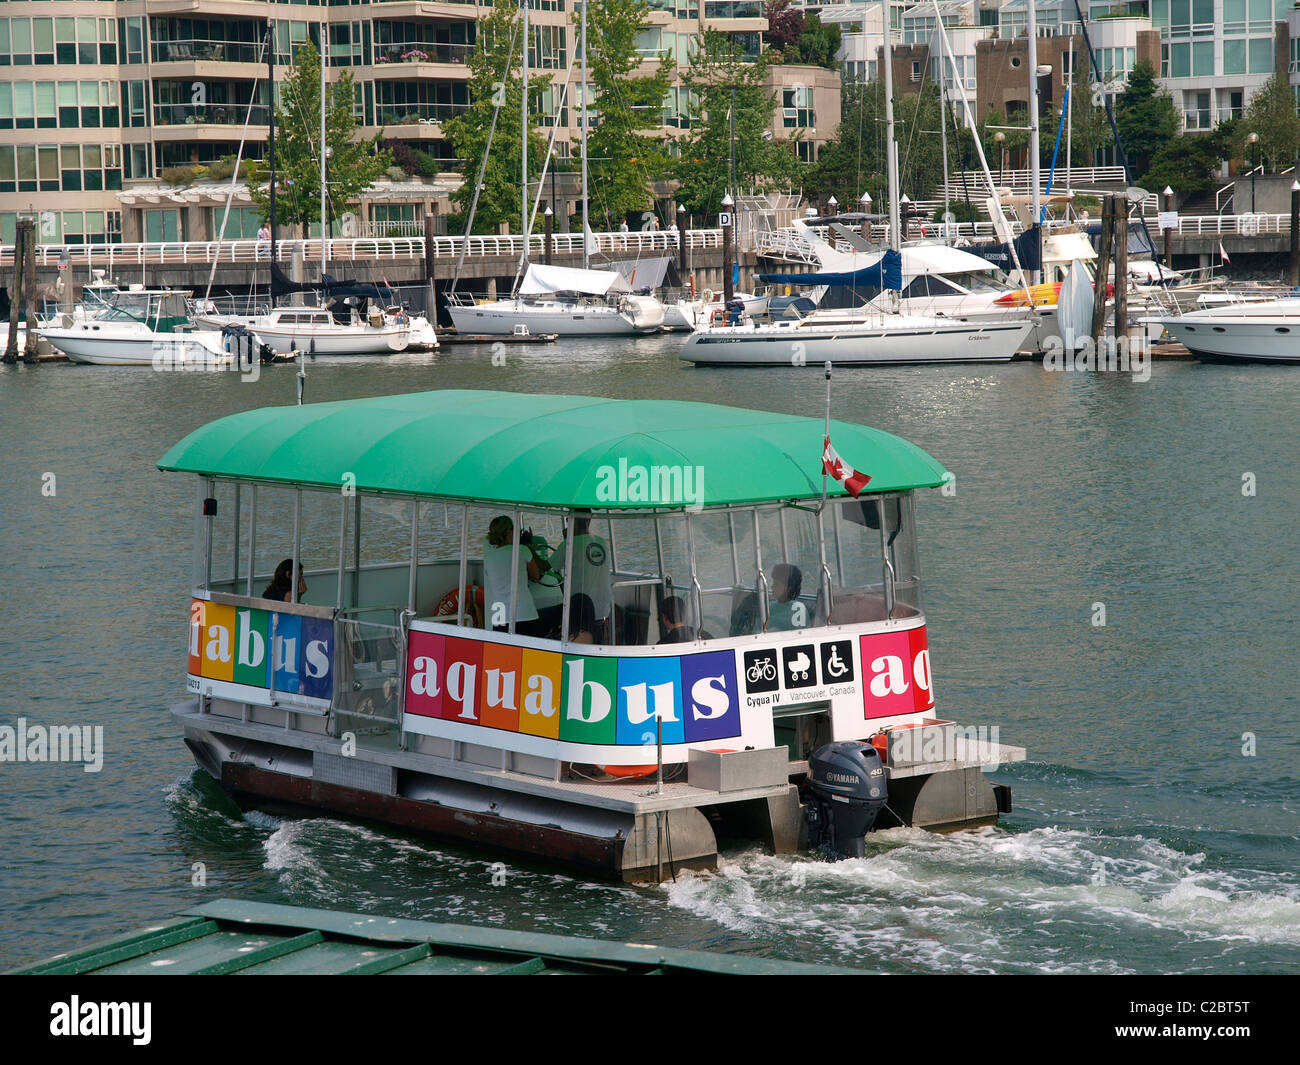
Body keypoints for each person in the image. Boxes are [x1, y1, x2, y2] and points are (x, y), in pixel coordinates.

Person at [551, 513, 612, 640]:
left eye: (568, 520)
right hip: (603, 609)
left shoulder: (569, 544)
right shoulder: (601, 542)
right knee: (597, 640)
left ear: (572, 521)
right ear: (588, 521)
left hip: (581, 611)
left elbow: (548, 566)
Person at [483, 515, 543, 636]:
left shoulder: (488, 557)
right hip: (524, 613)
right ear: (509, 531)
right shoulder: (522, 550)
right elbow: (536, 576)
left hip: (499, 616)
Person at [768, 563, 804, 631]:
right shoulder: (770, 606)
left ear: (789, 588)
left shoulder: (798, 608)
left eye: (776, 584)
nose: (772, 587)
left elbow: (799, 635)